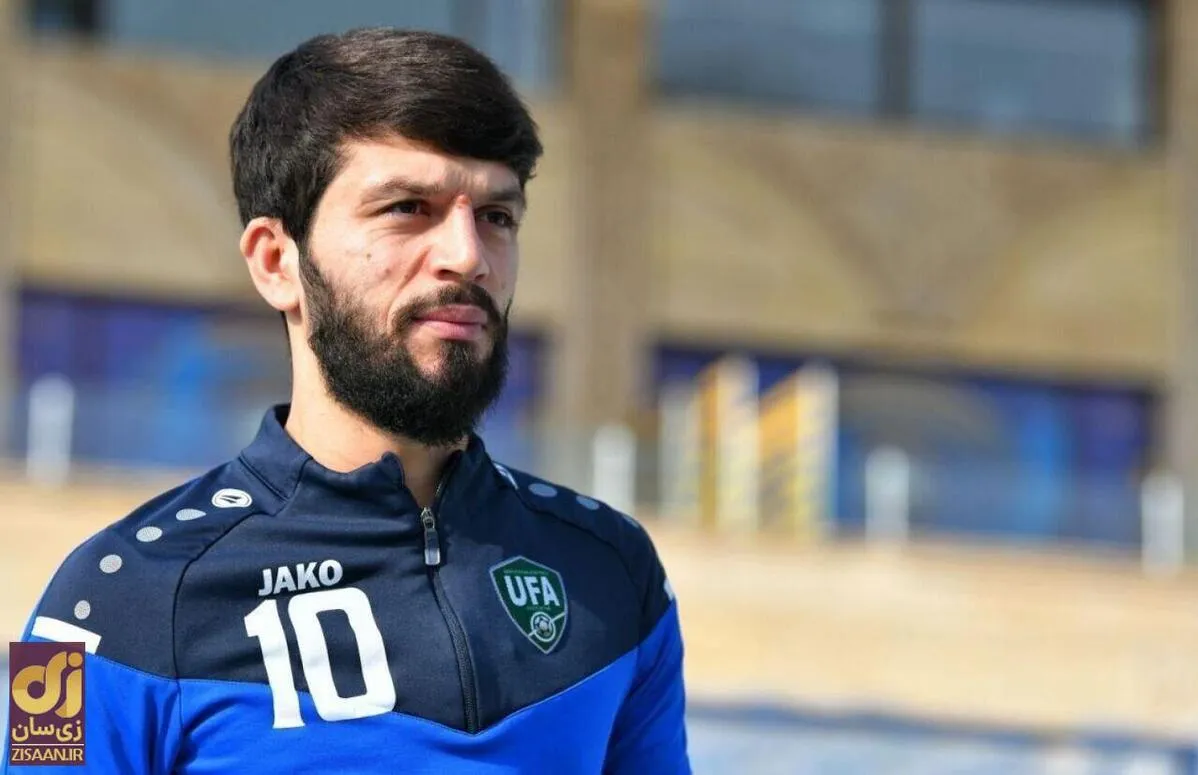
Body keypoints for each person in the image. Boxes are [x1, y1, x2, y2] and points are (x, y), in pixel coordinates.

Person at [5, 28, 690, 774]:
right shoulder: (98, 605)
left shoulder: (614, 570)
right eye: (407, 207)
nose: (468, 256)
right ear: (277, 262)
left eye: (497, 216)